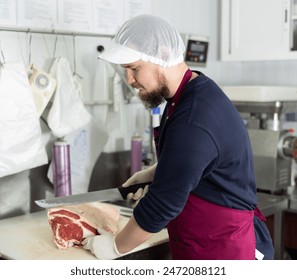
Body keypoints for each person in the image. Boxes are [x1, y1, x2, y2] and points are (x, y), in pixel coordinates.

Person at [83, 14, 274, 260]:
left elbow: (162, 205)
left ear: (162, 55)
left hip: (223, 249)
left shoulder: (193, 116)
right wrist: (157, 172)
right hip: (201, 243)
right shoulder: (187, 94)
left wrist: (115, 247)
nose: (129, 80)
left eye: (134, 68)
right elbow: (200, 159)